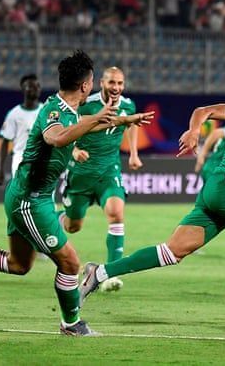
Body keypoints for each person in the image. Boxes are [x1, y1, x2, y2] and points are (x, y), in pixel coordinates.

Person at [0, 50, 154, 336]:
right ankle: (72, 324)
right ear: (86, 86)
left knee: (18, 265)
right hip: (31, 201)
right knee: (70, 263)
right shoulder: (56, 112)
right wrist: (100, 120)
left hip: (22, 195)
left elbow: (86, 125)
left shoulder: (69, 108)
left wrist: (125, 121)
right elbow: (55, 136)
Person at [79, 71, 225, 318]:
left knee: (171, 252)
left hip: (223, 193)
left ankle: (98, 273)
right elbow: (202, 111)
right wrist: (194, 132)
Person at [60, 67, 141, 292]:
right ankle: (50, 220)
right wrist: (74, 149)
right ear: (102, 83)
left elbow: (130, 124)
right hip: (81, 173)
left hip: (109, 171)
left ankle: (110, 273)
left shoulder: (127, 105)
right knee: (73, 226)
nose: (116, 88)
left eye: (120, 83)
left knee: (116, 212)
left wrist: (133, 152)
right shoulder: (86, 104)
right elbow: (66, 129)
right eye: (112, 83)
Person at [0, 74, 43, 185]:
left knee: (43, 196)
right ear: (23, 89)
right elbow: (5, 141)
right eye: (31, 86)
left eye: (37, 86)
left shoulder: (45, 110)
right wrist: (0, 169)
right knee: (22, 196)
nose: (36, 89)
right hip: (21, 158)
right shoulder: (14, 114)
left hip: (41, 157)